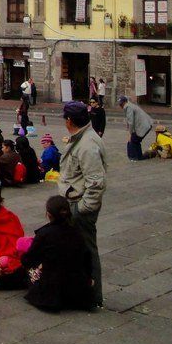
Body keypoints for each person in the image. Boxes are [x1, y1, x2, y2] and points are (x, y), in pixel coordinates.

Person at [58, 100, 107, 308]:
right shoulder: (82, 137)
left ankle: (92, 296)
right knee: (74, 250)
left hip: (79, 206)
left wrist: (83, 208)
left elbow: (96, 182)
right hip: (73, 202)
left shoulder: (87, 144)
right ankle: (77, 292)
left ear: (69, 121)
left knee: (87, 250)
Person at [21, 195, 94, 311]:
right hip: (77, 289)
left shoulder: (45, 234)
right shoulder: (77, 232)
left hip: (53, 290)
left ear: (49, 214)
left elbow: (28, 259)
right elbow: (87, 258)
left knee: (28, 270)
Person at [119, 95, 153, 160]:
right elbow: (130, 120)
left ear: (125, 102)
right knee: (136, 140)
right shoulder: (130, 105)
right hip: (147, 125)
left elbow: (131, 122)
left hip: (143, 126)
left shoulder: (128, 107)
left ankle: (133, 157)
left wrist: (130, 133)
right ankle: (139, 156)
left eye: (121, 103)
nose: (120, 105)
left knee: (132, 140)